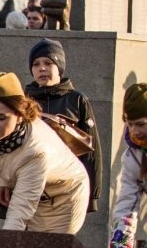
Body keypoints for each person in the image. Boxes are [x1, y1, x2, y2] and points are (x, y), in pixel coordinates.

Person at [0, 72, 89, 234]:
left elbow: (20, 209)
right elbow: (5, 156)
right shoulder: (3, 132)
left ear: (19, 116)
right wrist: (2, 181)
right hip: (40, 196)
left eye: (1, 117)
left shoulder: (36, 151)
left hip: (65, 200)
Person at [24, 38, 102, 212]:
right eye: (36, 64)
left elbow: (91, 150)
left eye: (48, 63)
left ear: (59, 67)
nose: (42, 68)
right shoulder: (23, 100)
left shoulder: (77, 100)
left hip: (67, 186)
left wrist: (92, 195)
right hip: (30, 186)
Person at [108, 83, 147, 248]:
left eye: (140, 124)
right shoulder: (132, 157)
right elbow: (125, 210)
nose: (135, 131)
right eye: (130, 124)